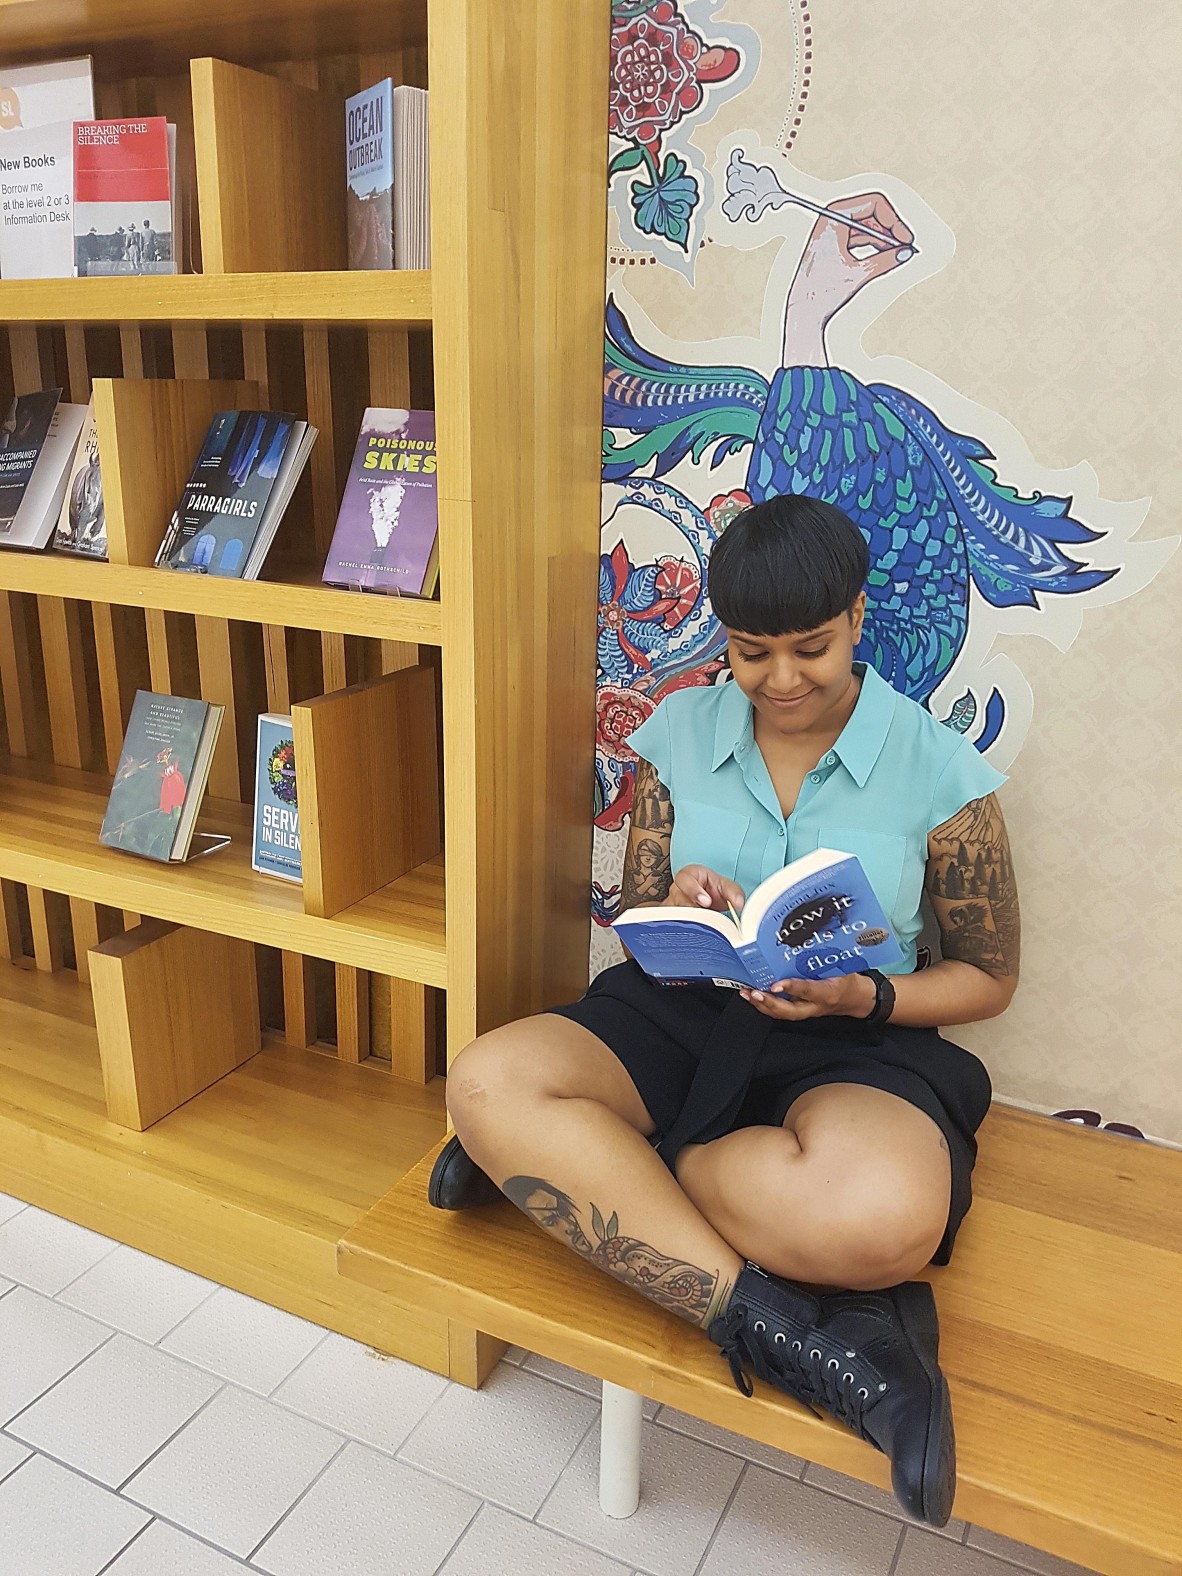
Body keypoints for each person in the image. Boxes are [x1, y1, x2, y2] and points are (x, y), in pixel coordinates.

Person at [433, 494, 1020, 1528]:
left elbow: (988, 977)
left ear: (857, 616)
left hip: (853, 1038)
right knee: (485, 1077)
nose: (783, 680)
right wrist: (678, 897)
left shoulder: (941, 769)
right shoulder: (683, 728)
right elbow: (634, 909)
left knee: (885, 1218)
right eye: (753, 653)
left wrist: (863, 990)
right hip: (683, 1006)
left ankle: (596, 1169)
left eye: (813, 647)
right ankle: (796, 1332)